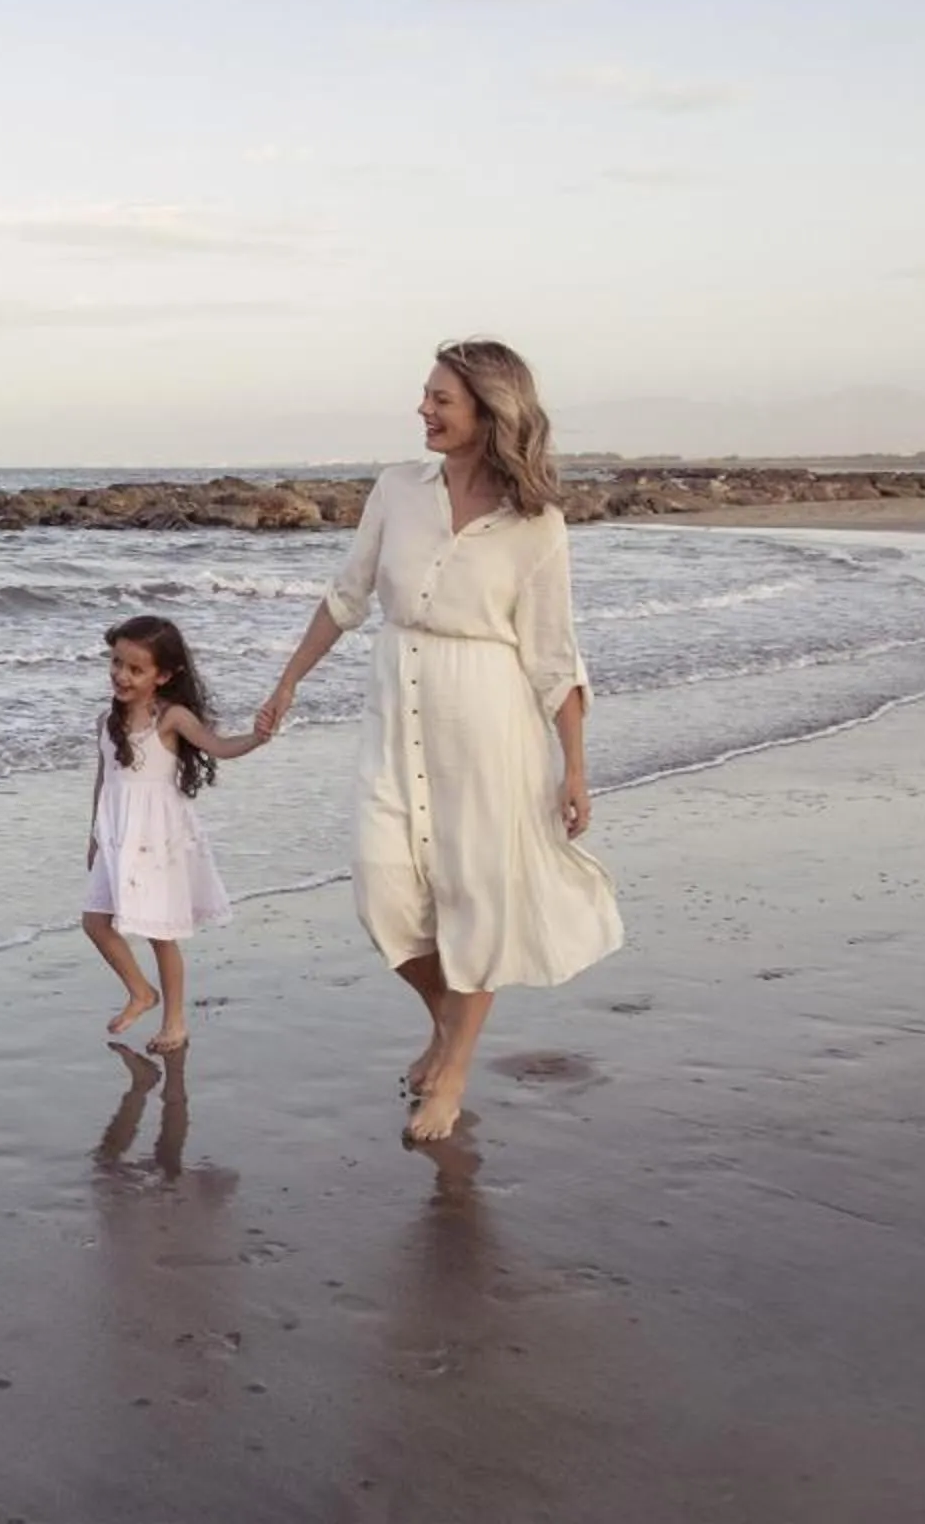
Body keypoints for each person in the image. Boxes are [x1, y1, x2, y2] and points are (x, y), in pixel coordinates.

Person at [253, 339, 622, 1144]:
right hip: (395, 709)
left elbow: (557, 657)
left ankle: (450, 1073)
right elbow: (348, 596)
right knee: (384, 892)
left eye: (441, 399)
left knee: (475, 902)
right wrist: (289, 681)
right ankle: (449, 1030)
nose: (424, 409)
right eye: (426, 395)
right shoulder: (397, 488)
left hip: (488, 723)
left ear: (490, 412)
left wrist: (575, 770)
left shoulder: (537, 526)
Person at [84, 614, 263, 1053]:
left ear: (163, 675)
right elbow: (103, 780)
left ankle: (175, 1021)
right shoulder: (105, 721)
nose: (121, 675)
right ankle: (141, 991)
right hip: (116, 837)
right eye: (116, 663)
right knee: (94, 921)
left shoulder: (172, 718)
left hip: (157, 838)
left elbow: (218, 746)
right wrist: (92, 837)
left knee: (161, 933)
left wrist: (257, 737)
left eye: (135, 669)